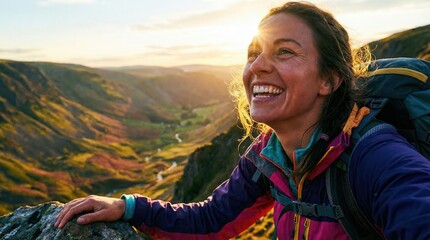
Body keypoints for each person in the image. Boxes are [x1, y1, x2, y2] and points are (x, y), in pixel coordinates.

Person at [55, 2, 430, 239]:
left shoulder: (377, 159)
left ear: (328, 80)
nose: (259, 65)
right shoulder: (267, 157)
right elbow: (211, 220)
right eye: (254, 53)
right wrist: (129, 207)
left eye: (285, 52)